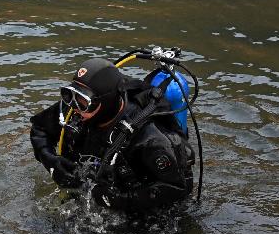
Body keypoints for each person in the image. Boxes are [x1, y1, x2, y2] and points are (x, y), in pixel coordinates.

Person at [30, 57, 195, 212]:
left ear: (106, 102)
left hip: (136, 211)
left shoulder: (149, 138)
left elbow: (178, 187)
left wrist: (120, 200)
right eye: (69, 95)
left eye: (83, 102)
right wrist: (51, 161)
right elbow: (39, 129)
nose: (74, 107)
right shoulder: (75, 108)